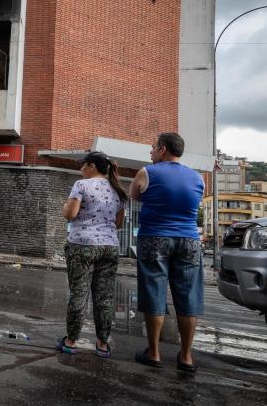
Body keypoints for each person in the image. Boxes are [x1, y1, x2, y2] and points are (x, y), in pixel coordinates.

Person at [130, 132, 205, 372]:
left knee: (154, 291)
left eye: (153, 148)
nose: (150, 152)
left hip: (154, 238)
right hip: (190, 241)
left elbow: (134, 195)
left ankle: (154, 353)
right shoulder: (198, 178)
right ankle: (186, 356)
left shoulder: (147, 172)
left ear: (163, 150)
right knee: (188, 296)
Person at [57, 151, 126, 358]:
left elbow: (71, 214)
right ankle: (103, 344)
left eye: (83, 165)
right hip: (110, 247)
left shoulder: (81, 185)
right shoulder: (119, 191)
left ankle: (70, 341)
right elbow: (119, 223)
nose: (81, 169)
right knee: (104, 297)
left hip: (82, 245)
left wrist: (64, 207)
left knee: (79, 293)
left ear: (92, 166)